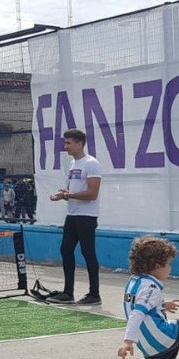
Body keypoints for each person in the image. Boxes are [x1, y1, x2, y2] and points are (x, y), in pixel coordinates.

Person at [48, 129, 103, 305]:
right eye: (65, 143)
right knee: (65, 250)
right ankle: (68, 292)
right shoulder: (73, 164)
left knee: (88, 253)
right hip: (72, 214)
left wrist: (69, 195)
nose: (66, 146)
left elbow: (92, 193)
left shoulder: (91, 163)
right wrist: (63, 194)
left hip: (87, 216)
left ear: (80, 144)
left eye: (68, 143)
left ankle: (94, 294)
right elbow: (73, 191)